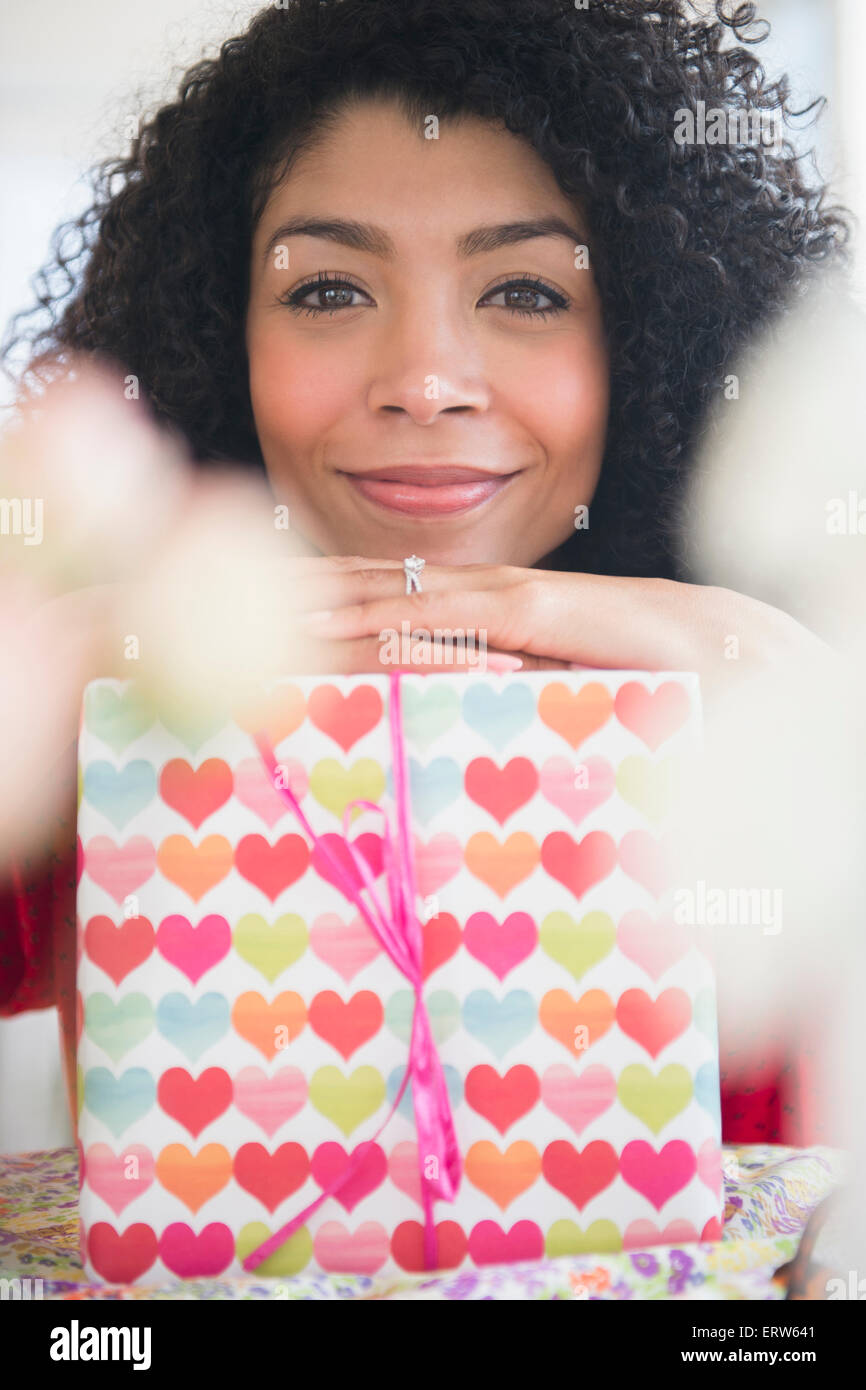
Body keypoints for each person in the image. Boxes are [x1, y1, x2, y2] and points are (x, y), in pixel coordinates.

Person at [0, 0, 848, 1146]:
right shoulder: (117, 722)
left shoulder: (761, 728)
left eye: (527, 294)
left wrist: (806, 705)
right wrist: (58, 681)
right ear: (218, 334)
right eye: (328, 290)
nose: (425, 380)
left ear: (649, 338)